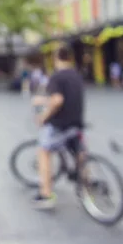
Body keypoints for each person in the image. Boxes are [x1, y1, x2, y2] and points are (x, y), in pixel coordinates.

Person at [34, 46, 85, 209]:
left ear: (56, 58)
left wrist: (44, 116)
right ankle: (86, 183)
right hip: (76, 121)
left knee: (44, 152)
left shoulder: (56, 77)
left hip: (60, 124)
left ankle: (46, 194)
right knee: (79, 152)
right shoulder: (76, 75)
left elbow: (57, 100)